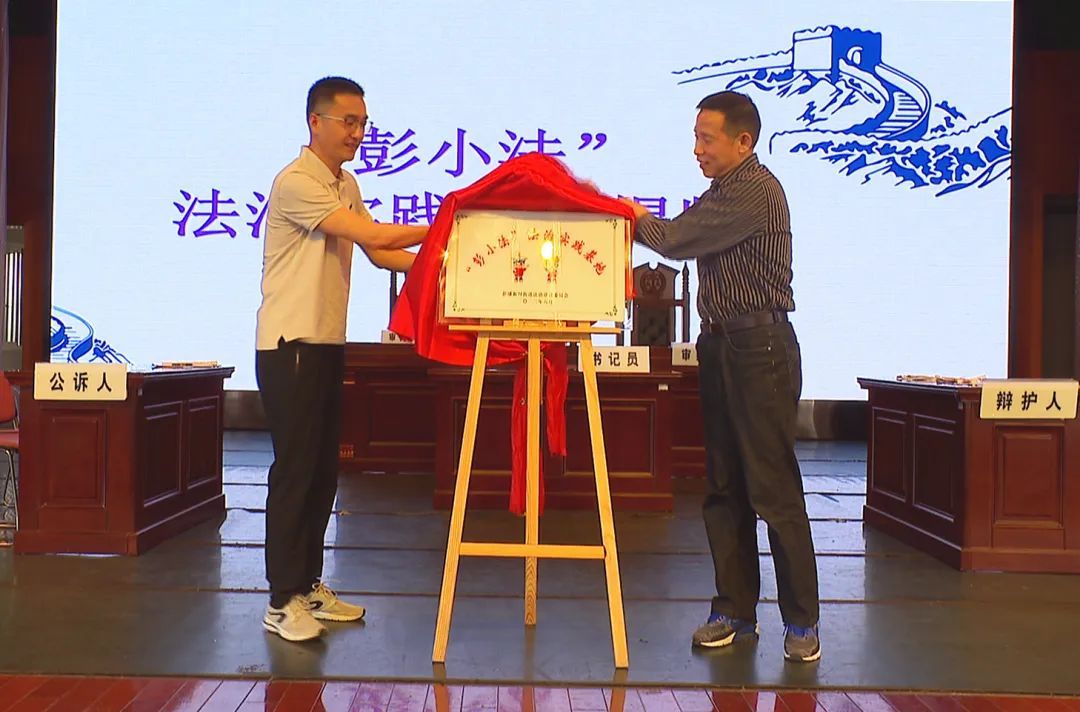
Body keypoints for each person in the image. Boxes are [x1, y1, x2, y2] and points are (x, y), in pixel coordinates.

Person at [619, 91, 821, 662]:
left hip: (761, 350)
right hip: (720, 345)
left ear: (743, 141)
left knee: (772, 488)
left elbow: (674, 239)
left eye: (706, 139)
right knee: (723, 485)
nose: (697, 149)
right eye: (696, 137)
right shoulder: (723, 190)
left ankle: (801, 622)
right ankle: (733, 610)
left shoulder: (755, 190)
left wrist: (627, 215)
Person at [255, 76, 426, 642]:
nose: (357, 133)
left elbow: (378, 252)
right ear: (316, 121)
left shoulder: (344, 183)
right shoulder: (297, 182)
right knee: (296, 471)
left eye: (363, 123)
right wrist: (443, 227)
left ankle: (307, 586)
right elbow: (367, 231)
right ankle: (281, 601)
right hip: (290, 346)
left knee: (324, 470)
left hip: (326, 344)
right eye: (348, 122)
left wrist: (444, 265)